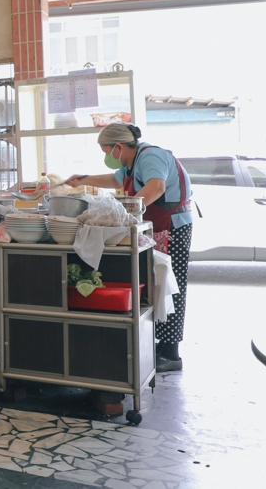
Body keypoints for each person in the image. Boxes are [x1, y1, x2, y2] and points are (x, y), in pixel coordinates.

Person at [65, 123, 193, 373]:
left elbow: (156, 187)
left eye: (106, 151)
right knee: (156, 285)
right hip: (156, 227)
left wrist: (125, 213)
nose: (107, 156)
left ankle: (172, 353)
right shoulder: (130, 164)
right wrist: (82, 180)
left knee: (171, 286)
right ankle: (160, 345)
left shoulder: (151, 156)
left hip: (173, 226)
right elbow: (114, 180)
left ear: (119, 147)